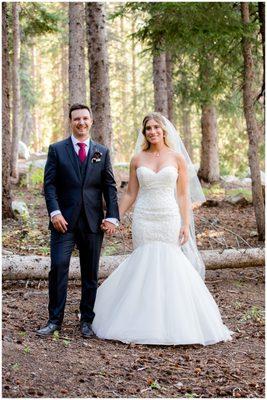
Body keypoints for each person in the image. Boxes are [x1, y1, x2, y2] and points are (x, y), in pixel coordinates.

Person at [92, 112, 233, 345]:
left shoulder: (177, 158)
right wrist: (113, 217)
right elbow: (130, 193)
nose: (153, 131)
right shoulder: (138, 159)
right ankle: (138, 319)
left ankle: (173, 322)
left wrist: (185, 223)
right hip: (144, 217)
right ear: (144, 132)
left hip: (168, 216)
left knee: (170, 262)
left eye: (156, 127)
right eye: (148, 128)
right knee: (143, 262)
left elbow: (183, 194)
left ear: (164, 130)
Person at [37, 104, 119, 338]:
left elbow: (109, 186)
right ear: (70, 122)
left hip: (93, 223)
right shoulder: (57, 149)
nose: (81, 123)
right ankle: (54, 320)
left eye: (85, 118)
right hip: (63, 222)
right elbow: (49, 184)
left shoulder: (101, 152)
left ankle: (86, 321)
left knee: (90, 273)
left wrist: (112, 216)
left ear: (91, 121)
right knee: (58, 267)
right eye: (76, 119)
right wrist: (55, 213)